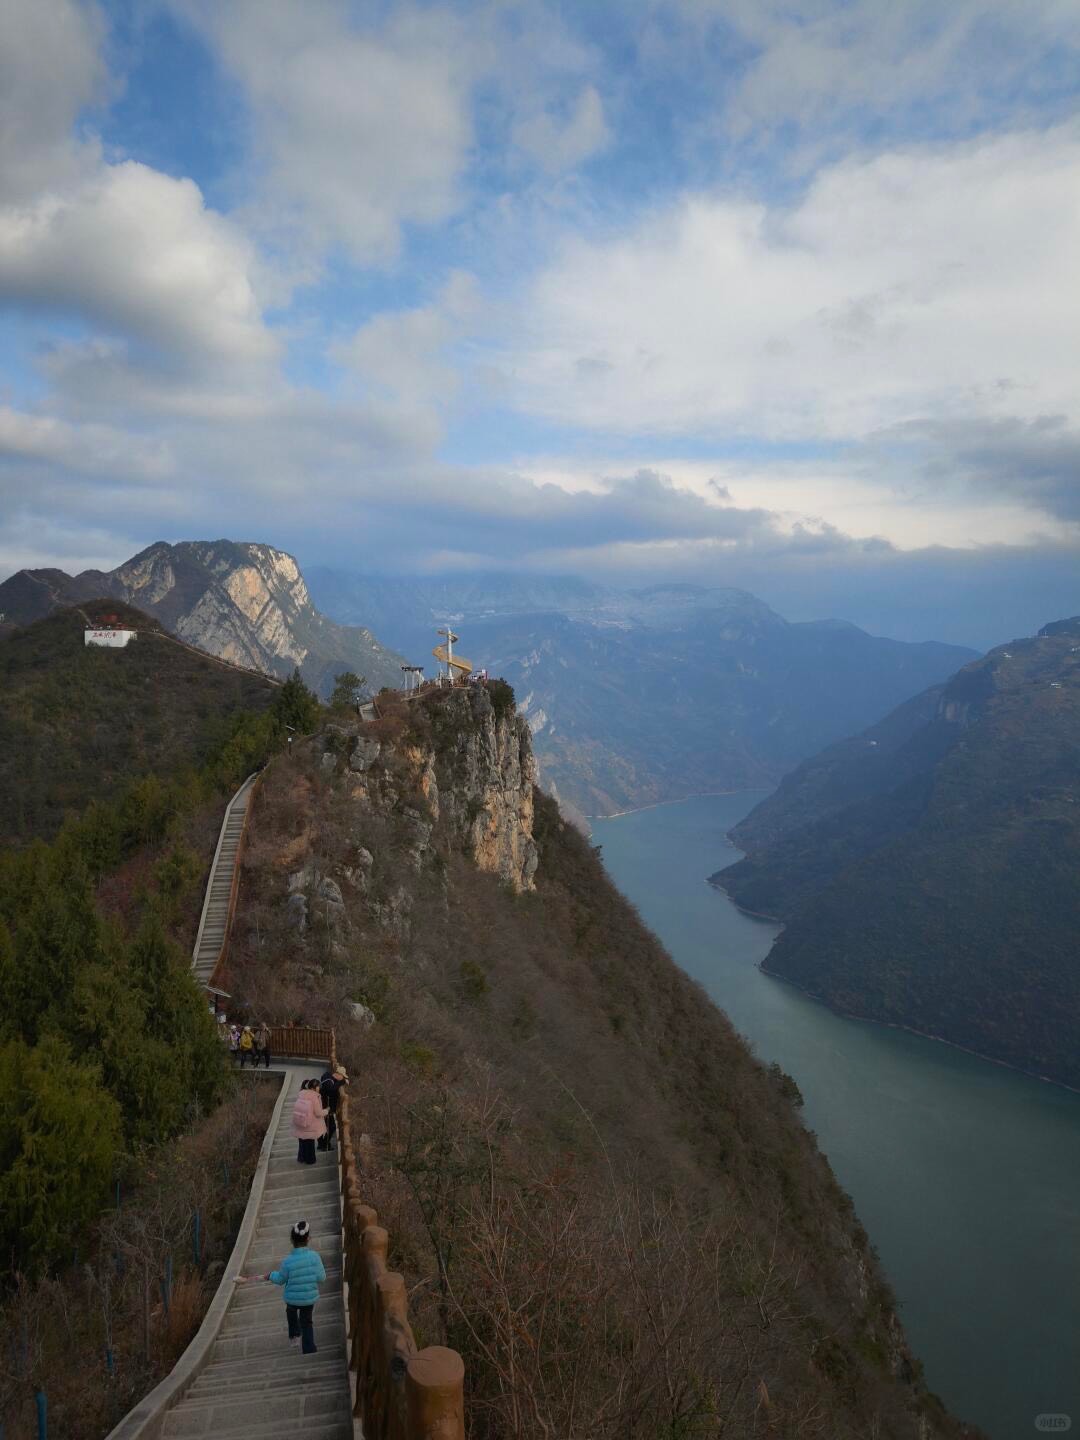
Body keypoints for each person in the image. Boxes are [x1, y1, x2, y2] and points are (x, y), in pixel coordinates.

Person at [239, 1219, 326, 1353]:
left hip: (292, 1298)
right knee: (307, 1322)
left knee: (291, 1312)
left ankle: (294, 1335)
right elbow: (322, 1278)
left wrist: (271, 1275)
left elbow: (280, 1279)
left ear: (292, 1240)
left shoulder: (288, 1261)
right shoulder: (315, 1257)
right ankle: (309, 1349)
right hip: (309, 1297)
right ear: (308, 1238)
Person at [291, 1078, 327, 1165]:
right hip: (310, 1125)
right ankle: (310, 1160)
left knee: (302, 1141)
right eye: (318, 1086)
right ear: (314, 1087)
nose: (319, 1088)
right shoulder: (315, 1097)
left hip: (300, 1121)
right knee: (309, 1143)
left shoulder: (301, 1093)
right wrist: (327, 1111)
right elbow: (318, 1113)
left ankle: (301, 1158)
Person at [317, 1065, 348, 1151]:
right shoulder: (328, 1080)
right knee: (331, 1127)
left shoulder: (329, 1079)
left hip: (324, 1106)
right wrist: (341, 1082)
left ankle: (322, 1144)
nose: (342, 1079)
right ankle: (324, 1144)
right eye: (342, 1077)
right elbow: (331, 1090)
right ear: (338, 1074)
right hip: (325, 1107)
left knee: (324, 1126)